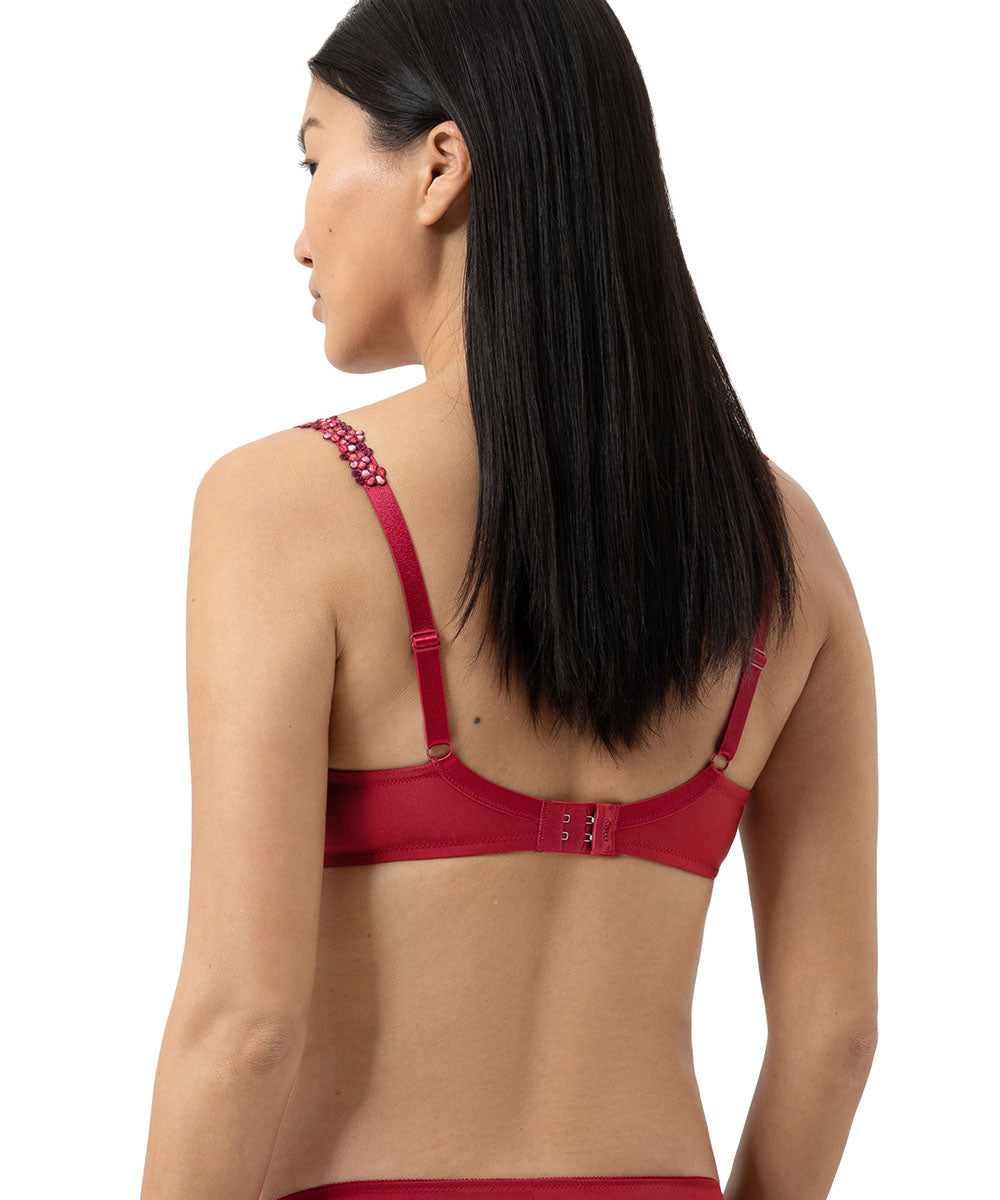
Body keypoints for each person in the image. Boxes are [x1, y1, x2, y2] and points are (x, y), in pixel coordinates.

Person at [139, 3, 878, 1199]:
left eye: (315, 161)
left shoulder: (284, 506)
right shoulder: (784, 544)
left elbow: (243, 1028)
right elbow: (834, 1035)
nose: (300, 237)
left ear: (441, 165)